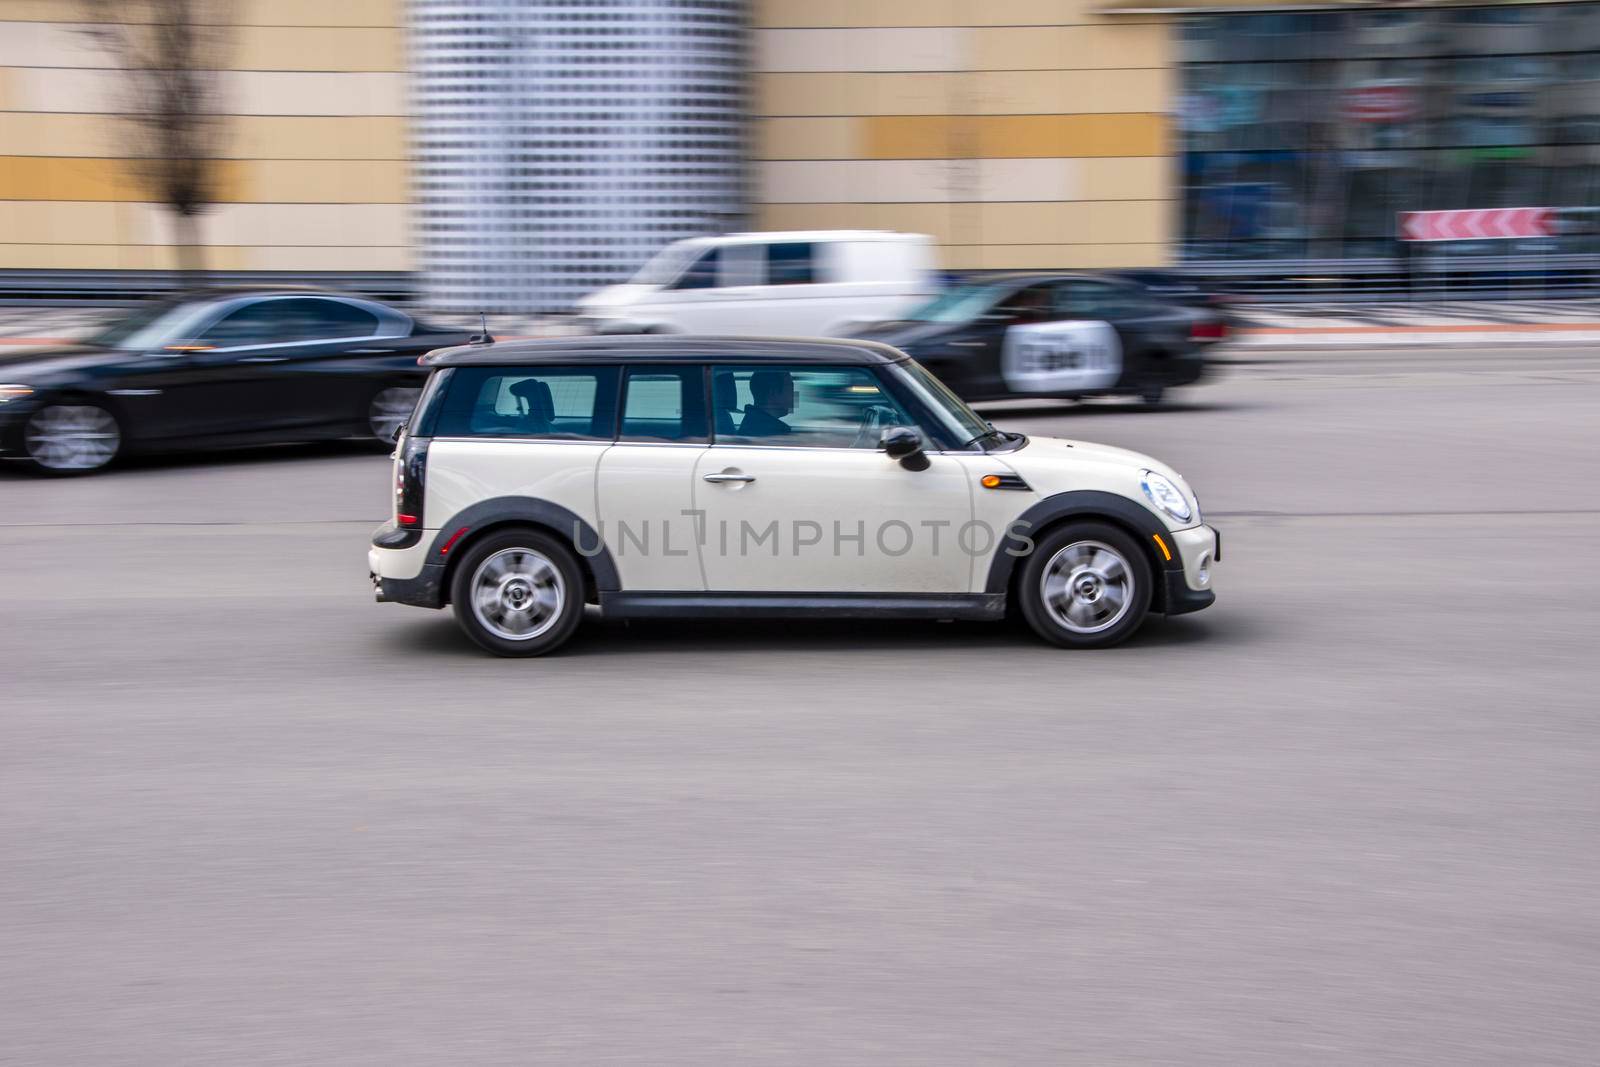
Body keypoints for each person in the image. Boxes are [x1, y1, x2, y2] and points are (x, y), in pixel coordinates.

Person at [739, 369, 795, 437]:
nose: (794, 395)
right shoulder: (776, 433)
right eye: (790, 388)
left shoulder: (751, 424)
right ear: (773, 392)